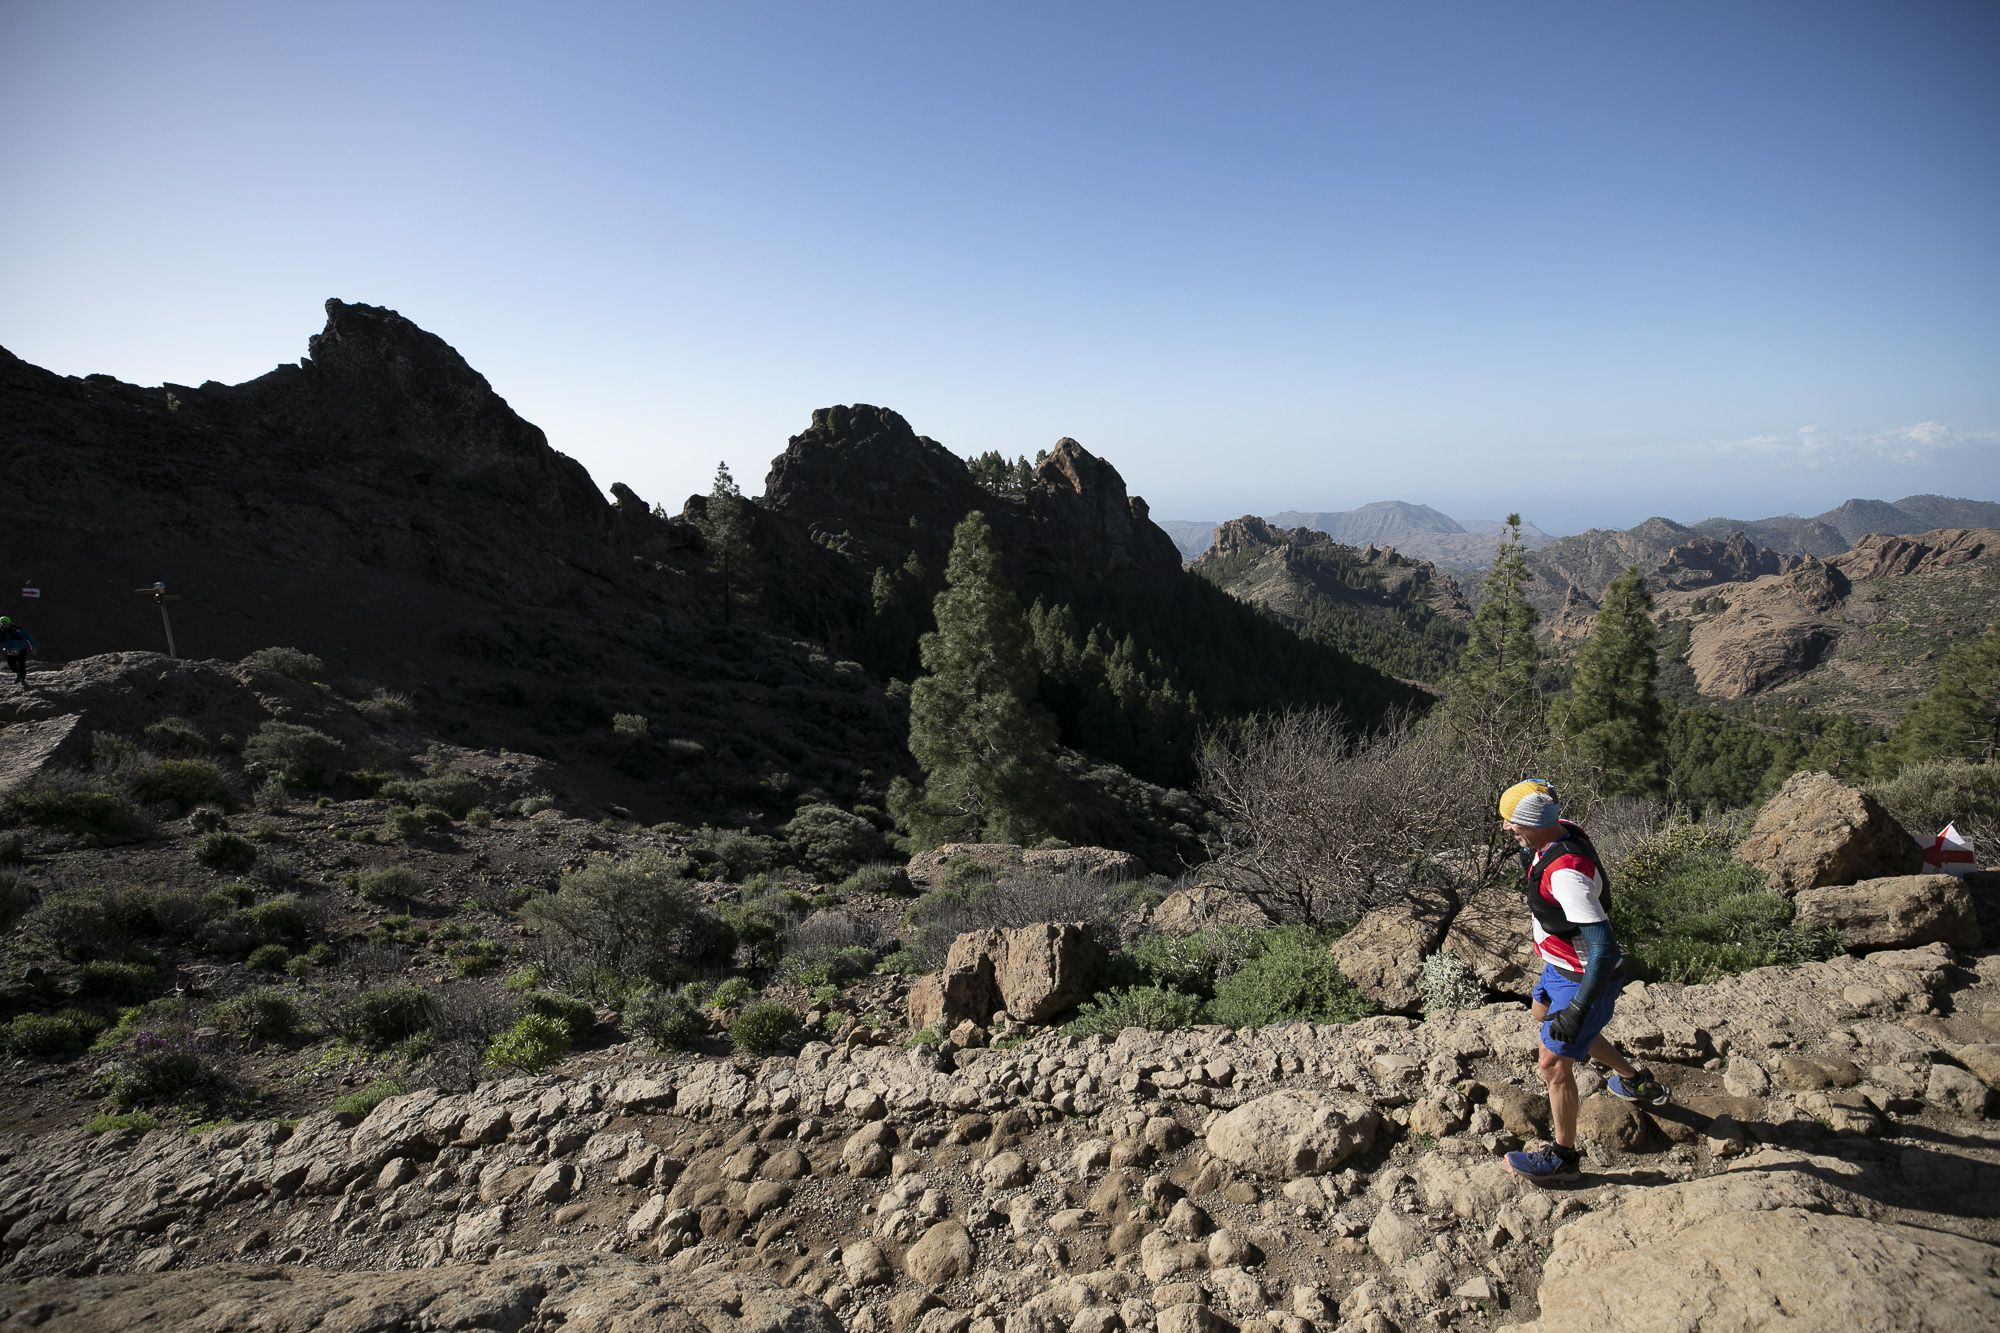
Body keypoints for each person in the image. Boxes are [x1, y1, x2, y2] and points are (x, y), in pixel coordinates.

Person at [1498, 779, 1670, 1182]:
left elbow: (1605, 949)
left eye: (1510, 821)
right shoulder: (1561, 830)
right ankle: (1634, 1081)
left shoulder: (1568, 876)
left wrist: (1578, 1009)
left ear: (1530, 821)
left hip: (1583, 976)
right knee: (1545, 1018)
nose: (1506, 828)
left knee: (1553, 1062)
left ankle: (1563, 1160)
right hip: (1559, 967)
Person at [0, 616, 35, 690]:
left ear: (10, 623)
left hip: (21, 649)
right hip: (10, 650)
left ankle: (23, 679)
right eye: (3, 624)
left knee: (21, 664)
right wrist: (3, 649)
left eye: (7, 624)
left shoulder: (18, 629)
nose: (6, 626)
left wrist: (33, 646)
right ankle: (18, 673)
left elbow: (29, 636)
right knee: (11, 664)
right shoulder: (1, 632)